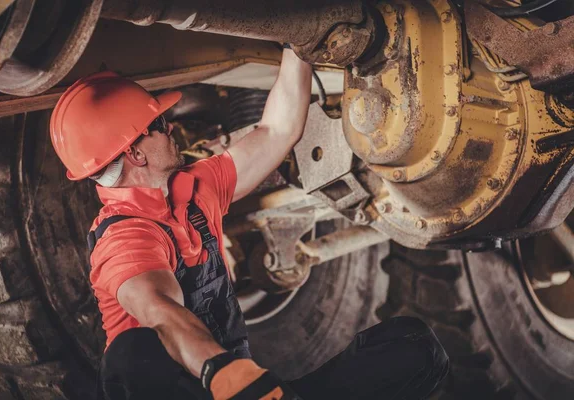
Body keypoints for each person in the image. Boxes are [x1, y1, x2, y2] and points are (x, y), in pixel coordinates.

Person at [50, 47, 449, 400]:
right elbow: (160, 312)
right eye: (157, 125)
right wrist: (227, 374)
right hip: (218, 386)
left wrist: (303, 45)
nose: (168, 126)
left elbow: (276, 131)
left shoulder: (192, 190)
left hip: (246, 390)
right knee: (134, 354)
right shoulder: (124, 236)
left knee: (413, 349)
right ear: (135, 153)